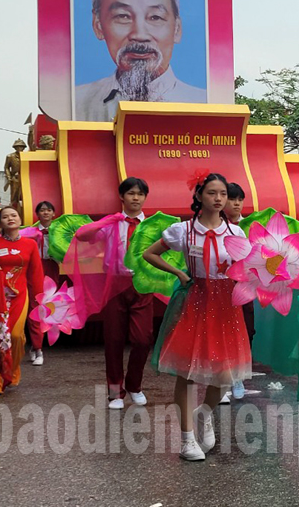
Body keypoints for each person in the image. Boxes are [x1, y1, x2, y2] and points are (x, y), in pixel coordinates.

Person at [144, 172, 251, 461]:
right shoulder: (183, 231)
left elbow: (248, 266)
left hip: (227, 305)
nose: (219, 199)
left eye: (223, 194)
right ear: (199, 196)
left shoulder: (236, 234)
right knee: (188, 373)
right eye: (212, 193)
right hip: (197, 301)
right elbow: (150, 254)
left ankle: (204, 413)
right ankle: (186, 439)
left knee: (225, 375)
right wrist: (179, 272)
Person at [76, 0, 205, 122]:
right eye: (123, 16)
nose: (139, 35)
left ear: (177, 29)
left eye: (155, 17)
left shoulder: (205, 105)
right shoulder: (76, 103)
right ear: (98, 26)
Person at [73, 178, 154, 410]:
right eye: (131, 193)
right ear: (122, 197)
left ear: (145, 198)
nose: (136, 198)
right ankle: (114, 393)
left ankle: (135, 385)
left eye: (140, 194)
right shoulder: (110, 224)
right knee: (113, 340)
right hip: (114, 285)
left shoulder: (151, 225)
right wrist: (110, 219)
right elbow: (82, 235)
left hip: (142, 285)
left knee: (142, 339)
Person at [0, 207, 44, 394]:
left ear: (20, 219)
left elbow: (36, 274)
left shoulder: (30, 244)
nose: (10, 219)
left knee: (16, 336)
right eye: (5, 217)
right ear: (1, 223)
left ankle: (9, 371)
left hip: (19, 295)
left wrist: (40, 299)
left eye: (13, 215)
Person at [223, 182, 249, 403]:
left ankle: (237, 377)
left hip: (243, 287)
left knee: (246, 331)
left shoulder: (245, 228)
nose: (236, 203)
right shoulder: (212, 226)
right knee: (221, 334)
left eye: (240, 199)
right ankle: (222, 381)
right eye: (232, 199)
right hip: (220, 288)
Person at [26, 200, 58, 367]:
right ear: (37, 214)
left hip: (52, 268)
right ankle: (38, 348)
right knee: (36, 307)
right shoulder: (30, 232)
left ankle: (36, 344)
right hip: (35, 269)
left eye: (49, 210)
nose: (45, 213)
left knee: (49, 308)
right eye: (42, 210)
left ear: (54, 213)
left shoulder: (60, 231)